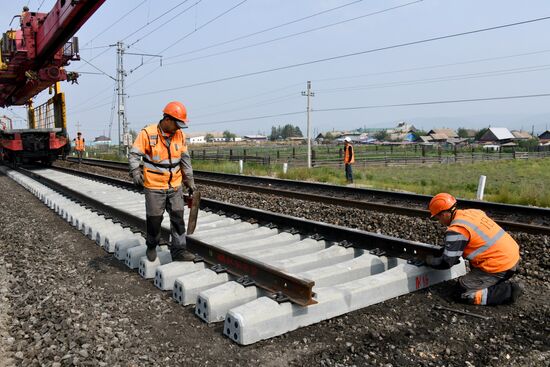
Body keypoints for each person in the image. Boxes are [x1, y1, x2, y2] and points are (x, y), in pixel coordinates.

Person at [426, 193, 523, 306]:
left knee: (461, 293)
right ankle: (491, 281)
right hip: (512, 256)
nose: (439, 221)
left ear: (444, 214)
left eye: (438, 217)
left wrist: (428, 260)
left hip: (500, 266)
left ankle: (508, 291)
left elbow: (446, 262)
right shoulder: (473, 212)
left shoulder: (457, 230)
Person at [128, 101, 196, 262]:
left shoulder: (180, 136)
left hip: (175, 186)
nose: (178, 128)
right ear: (167, 119)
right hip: (154, 186)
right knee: (154, 220)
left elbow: (185, 161)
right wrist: (136, 172)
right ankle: (152, 245)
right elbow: (134, 155)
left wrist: (189, 180)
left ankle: (179, 250)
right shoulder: (148, 133)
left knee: (178, 219)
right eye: (176, 124)